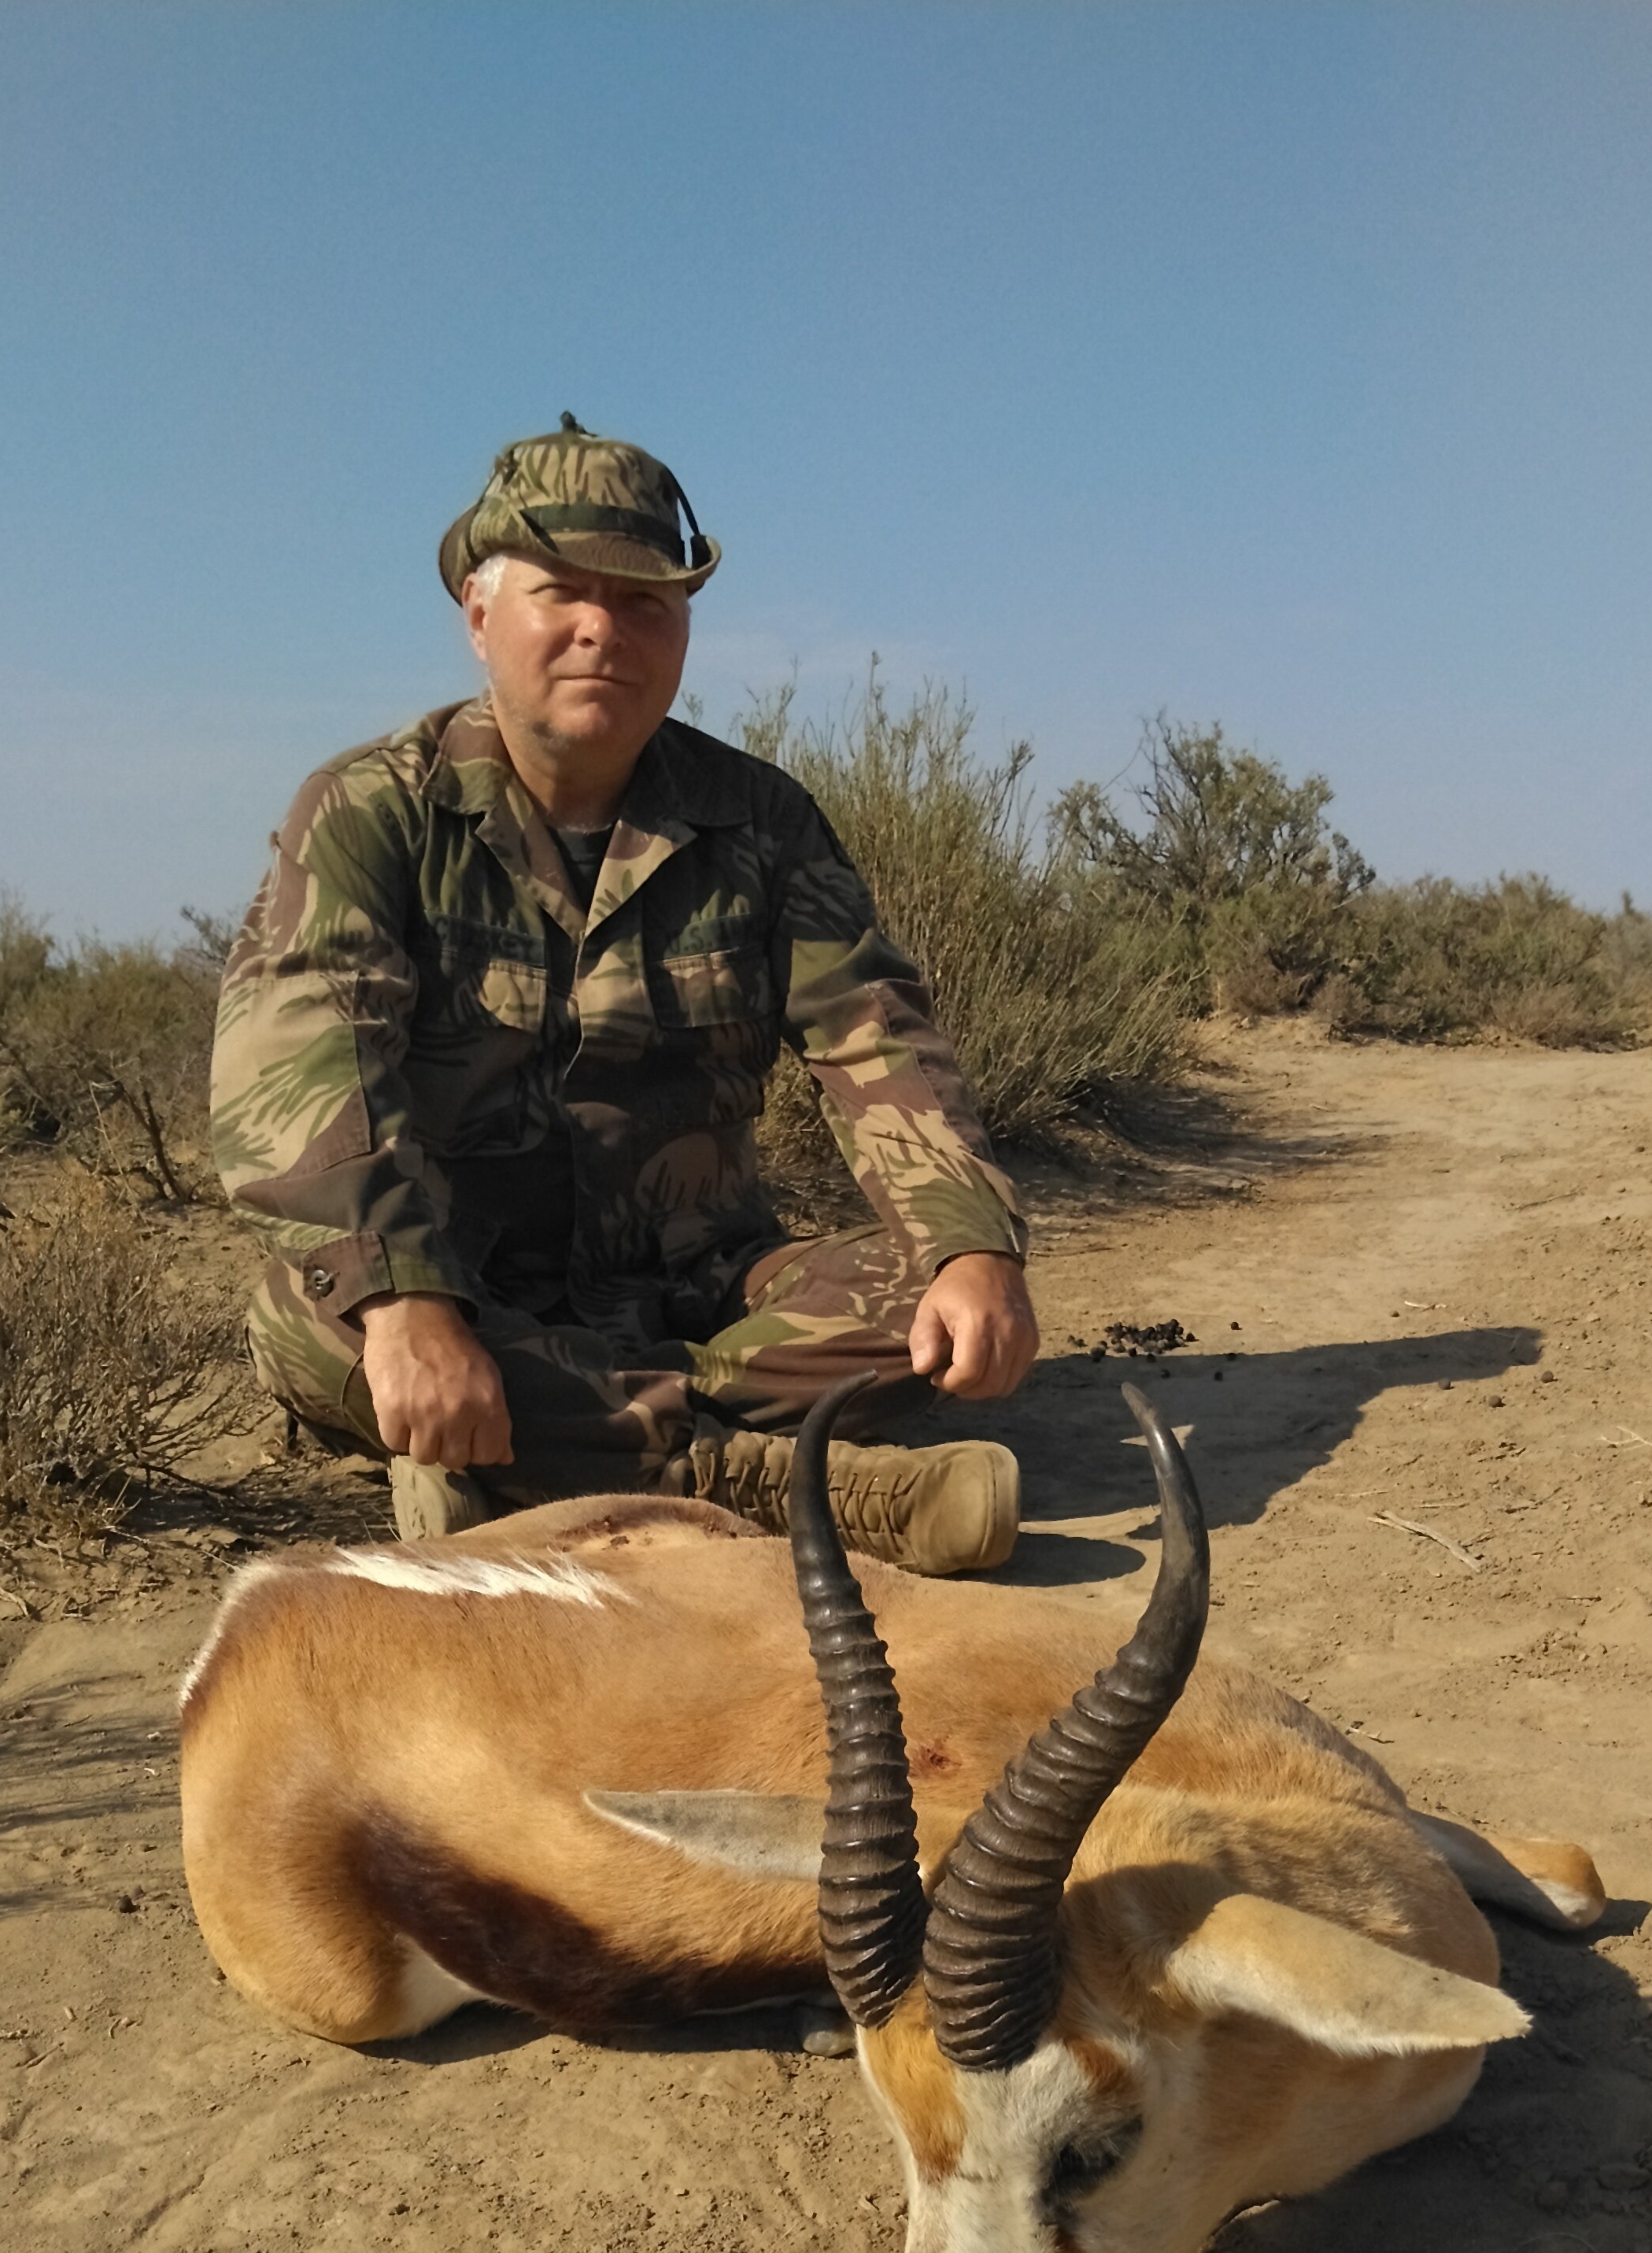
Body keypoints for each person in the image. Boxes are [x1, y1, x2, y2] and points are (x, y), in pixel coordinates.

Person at [211, 419, 1039, 1570]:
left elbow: (871, 1033)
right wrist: (407, 1307)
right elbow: (297, 1061)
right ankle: (776, 1485)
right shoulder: (370, 811)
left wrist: (967, 1247)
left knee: (933, 1316)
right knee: (311, 1326)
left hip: (700, 1290)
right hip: (463, 1283)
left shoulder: (761, 819)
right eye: (564, 593)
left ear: (686, 630)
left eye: (648, 601)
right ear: (481, 616)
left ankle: (531, 1458)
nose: (605, 629)